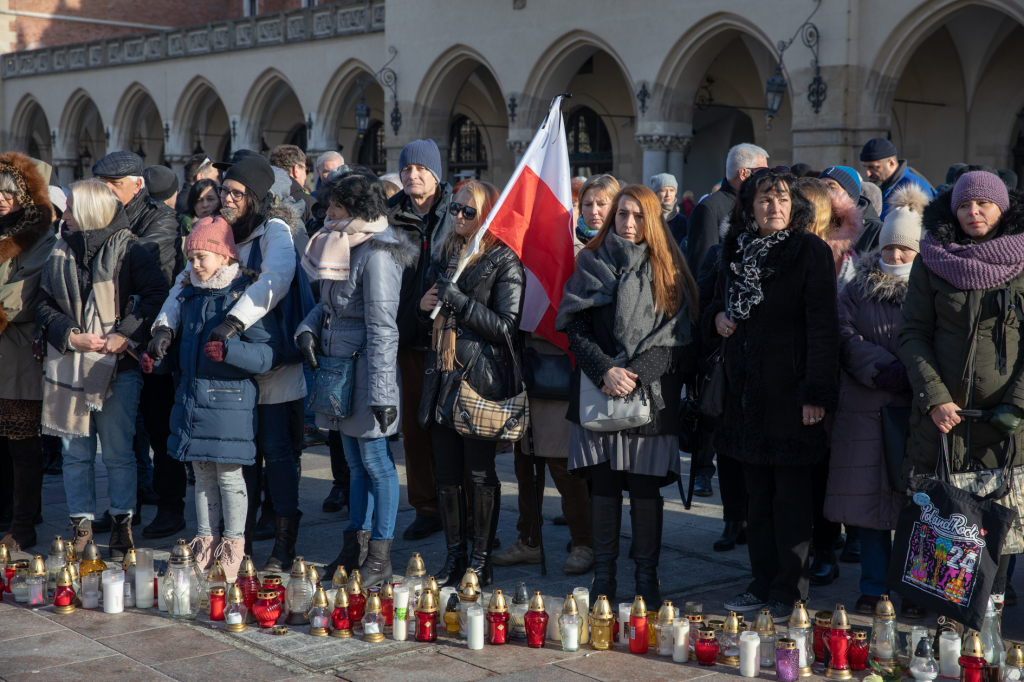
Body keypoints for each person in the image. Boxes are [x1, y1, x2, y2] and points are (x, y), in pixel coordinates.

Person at [149, 154, 307, 571]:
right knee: (240, 458)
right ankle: (243, 543)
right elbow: (186, 280)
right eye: (225, 191)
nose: (228, 198)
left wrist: (234, 323)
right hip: (228, 371)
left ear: (256, 197)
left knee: (276, 450)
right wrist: (164, 326)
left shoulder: (275, 230)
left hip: (268, 354)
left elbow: (276, 279)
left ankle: (284, 542)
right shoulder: (217, 229)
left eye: (237, 193)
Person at [557, 184, 699, 605]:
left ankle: (646, 581)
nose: (629, 223)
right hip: (599, 391)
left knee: (643, 489)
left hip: (651, 399)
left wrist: (632, 376)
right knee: (602, 487)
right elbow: (575, 329)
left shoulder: (670, 267)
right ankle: (604, 579)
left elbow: (676, 342)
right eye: (622, 214)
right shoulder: (591, 261)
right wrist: (605, 370)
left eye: (638, 215)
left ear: (652, 219)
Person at [710, 168, 840, 620]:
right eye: (765, 199)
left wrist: (816, 393)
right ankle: (761, 581)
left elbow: (824, 327)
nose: (775, 207)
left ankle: (790, 588)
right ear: (749, 207)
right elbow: (715, 301)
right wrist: (719, 318)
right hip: (746, 394)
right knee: (756, 498)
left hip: (791, 392)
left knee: (790, 500)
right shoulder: (734, 249)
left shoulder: (809, 250)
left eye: (783, 199)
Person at [899, 170, 1024, 606]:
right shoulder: (931, 260)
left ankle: (987, 623)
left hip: (1004, 429)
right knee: (945, 531)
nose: (974, 212)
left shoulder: (1022, 263)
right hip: (944, 423)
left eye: (984, 204)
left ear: (1001, 208)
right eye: (966, 205)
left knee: (999, 536)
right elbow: (912, 334)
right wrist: (934, 399)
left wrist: (1018, 404)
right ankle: (945, 626)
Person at [142, 216, 281, 580]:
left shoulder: (242, 297)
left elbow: (267, 355)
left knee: (231, 480)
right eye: (191, 258)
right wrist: (157, 361)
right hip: (192, 401)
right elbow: (182, 355)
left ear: (225, 257)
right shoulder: (188, 296)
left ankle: (234, 545)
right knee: (202, 478)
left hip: (229, 405)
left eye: (202, 256)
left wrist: (231, 352)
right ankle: (206, 540)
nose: (195, 265)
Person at [36, 179, 169, 557]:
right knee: (75, 452)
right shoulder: (61, 251)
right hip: (70, 365)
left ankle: (121, 524)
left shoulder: (131, 251)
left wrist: (125, 334)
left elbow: (157, 296)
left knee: (117, 451)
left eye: (73, 208)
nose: (66, 215)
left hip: (116, 368)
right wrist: (70, 335)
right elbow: (43, 307)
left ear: (91, 211)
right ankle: (81, 525)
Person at [297, 172, 413, 587]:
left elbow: (383, 328)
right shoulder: (341, 242)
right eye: (330, 205)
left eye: (337, 207)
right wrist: (307, 328)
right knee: (353, 466)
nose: (328, 213)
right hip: (339, 371)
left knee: (377, 465)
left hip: (366, 372)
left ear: (359, 211)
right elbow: (327, 304)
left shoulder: (379, 253)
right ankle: (354, 549)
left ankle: (380, 558)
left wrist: (384, 395)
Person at [825, 184, 928, 618]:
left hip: (919, 408)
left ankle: (913, 589)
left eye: (905, 249)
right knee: (867, 511)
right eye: (890, 247)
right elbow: (844, 335)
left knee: (915, 509)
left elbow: (938, 338)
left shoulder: (930, 290)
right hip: (865, 408)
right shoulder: (856, 288)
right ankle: (872, 586)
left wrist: (913, 371)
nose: (896, 256)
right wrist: (885, 369)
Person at [417, 180, 524, 587]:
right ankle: (454, 556)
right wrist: (422, 305)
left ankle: (480, 561)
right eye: (456, 209)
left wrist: (457, 301)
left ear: (487, 217)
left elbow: (506, 327)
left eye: (469, 211)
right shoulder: (446, 255)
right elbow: (422, 317)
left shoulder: (504, 261)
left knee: (478, 474)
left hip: (479, 381)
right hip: (441, 377)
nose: (459, 217)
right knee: (445, 474)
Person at [91, 151, 185, 540]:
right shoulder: (104, 217)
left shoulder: (162, 219)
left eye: (113, 186)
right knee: (123, 433)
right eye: (102, 187)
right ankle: (123, 509)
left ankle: (170, 507)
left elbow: (140, 269)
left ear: (137, 184)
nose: (107, 194)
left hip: (150, 338)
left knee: (161, 427)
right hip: (112, 340)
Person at [793, 177, 865, 586]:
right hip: (789, 373)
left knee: (826, 466)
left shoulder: (845, 259)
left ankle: (826, 546)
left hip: (835, 377)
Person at [387, 139, 453, 541]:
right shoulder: (390, 216)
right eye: (408, 169)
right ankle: (427, 507)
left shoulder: (456, 210)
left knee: (455, 426)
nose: (414, 176)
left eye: (422, 170)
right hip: (408, 334)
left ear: (436, 173)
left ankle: (461, 506)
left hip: (450, 337)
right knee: (415, 426)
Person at [0, 153, 56, 551]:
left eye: (9, 191)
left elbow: (21, 295)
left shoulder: (41, 235)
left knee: (22, 443)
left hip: (17, 353)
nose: (1, 198)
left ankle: (23, 525)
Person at [687, 143, 769, 277]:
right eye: (762, 172)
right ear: (743, 173)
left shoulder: (756, 205)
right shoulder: (709, 207)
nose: (767, 178)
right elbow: (702, 267)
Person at [859, 138, 934, 220]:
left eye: (873, 167)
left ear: (891, 163)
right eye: (866, 167)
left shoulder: (916, 188)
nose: (867, 174)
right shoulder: (879, 185)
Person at [820, 166, 884, 253]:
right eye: (820, 187)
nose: (824, 192)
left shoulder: (876, 231)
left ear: (850, 195)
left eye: (831, 187)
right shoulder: (816, 223)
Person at [269, 145, 315, 223]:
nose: (306, 177)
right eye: (305, 170)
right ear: (296, 169)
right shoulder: (308, 201)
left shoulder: (262, 197)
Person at [576, 174, 620, 245]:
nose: (593, 212)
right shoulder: (569, 245)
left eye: (601, 204)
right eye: (588, 204)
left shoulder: (628, 242)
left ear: (616, 207)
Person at [649, 173, 687, 246]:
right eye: (663, 190)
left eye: (672, 190)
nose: (668, 195)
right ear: (655, 193)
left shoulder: (681, 221)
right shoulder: (648, 218)